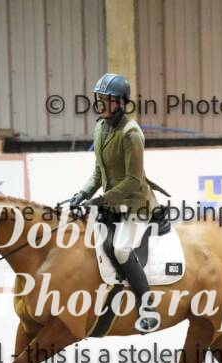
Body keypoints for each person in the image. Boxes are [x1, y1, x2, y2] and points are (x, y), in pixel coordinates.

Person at [69, 73, 169, 333]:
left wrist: (101, 199)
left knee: (122, 249)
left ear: (121, 102)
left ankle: (147, 307)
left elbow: (133, 180)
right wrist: (82, 193)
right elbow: (98, 172)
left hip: (136, 205)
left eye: (107, 99)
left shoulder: (131, 133)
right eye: (99, 98)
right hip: (112, 205)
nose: (101, 104)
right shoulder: (100, 127)